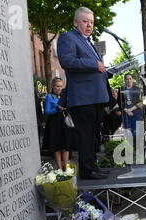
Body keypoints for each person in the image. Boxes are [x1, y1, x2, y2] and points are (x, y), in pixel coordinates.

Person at [57, 7, 110, 180]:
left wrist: (106, 71)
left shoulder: (89, 42)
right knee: (86, 135)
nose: (89, 25)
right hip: (82, 97)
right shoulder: (68, 37)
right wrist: (95, 65)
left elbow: (96, 67)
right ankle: (87, 170)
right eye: (85, 21)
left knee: (94, 135)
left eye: (91, 22)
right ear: (75, 22)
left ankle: (92, 167)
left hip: (96, 96)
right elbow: (67, 61)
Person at [42, 78, 71, 171]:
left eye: (61, 86)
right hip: (54, 124)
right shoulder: (49, 97)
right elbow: (47, 111)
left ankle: (66, 168)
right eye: (57, 86)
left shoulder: (63, 96)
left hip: (64, 123)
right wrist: (57, 109)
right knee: (57, 147)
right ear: (53, 86)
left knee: (66, 146)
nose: (59, 88)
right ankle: (59, 169)